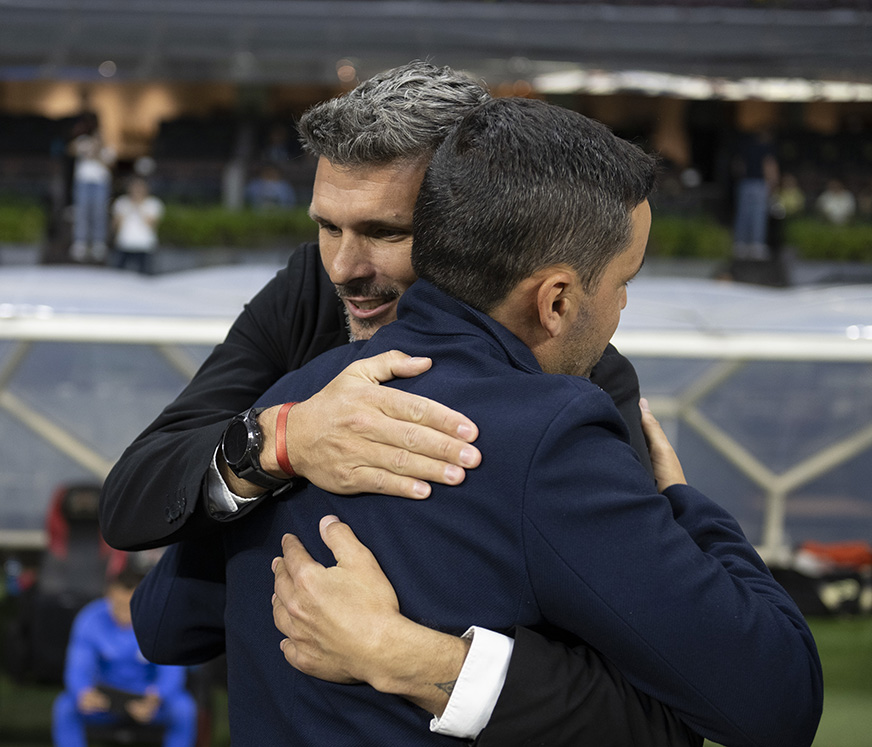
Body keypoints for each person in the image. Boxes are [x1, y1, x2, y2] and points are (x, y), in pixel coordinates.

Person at [151, 97, 821, 746]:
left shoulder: (293, 406)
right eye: (625, 282)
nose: (621, 306)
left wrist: (403, 650)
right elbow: (775, 701)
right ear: (555, 301)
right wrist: (685, 507)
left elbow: (164, 622)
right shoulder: (552, 437)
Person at [104, 62, 667, 744]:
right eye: (328, 227)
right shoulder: (310, 292)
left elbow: (645, 698)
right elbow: (135, 504)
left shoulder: (585, 374)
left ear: (473, 220)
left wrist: (414, 657)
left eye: (386, 232)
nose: (345, 267)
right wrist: (283, 440)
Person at [52, 569, 195, 747]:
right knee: (65, 706)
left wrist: (157, 696)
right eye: (118, 604)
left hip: (147, 698)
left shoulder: (163, 621)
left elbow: (172, 671)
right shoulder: (90, 619)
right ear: (109, 595)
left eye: (131, 606)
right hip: (105, 699)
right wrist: (83, 692)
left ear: (146, 600)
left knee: (183, 709)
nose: (123, 613)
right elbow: (77, 667)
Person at [69, 126, 117, 263]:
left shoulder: (108, 150)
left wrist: (97, 154)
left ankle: (98, 243)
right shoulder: (84, 142)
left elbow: (111, 165)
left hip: (100, 184)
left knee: (99, 213)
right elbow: (70, 150)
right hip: (83, 183)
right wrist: (83, 148)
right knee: (82, 212)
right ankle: (80, 242)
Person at [731, 129, 779, 260]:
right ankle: (756, 245)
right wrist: (772, 184)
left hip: (745, 183)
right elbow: (769, 165)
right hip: (759, 183)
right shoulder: (766, 148)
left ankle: (740, 244)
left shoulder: (745, 148)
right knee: (758, 215)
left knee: (743, 214)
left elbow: (737, 165)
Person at [110, 177, 164, 274]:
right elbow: (115, 225)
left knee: (144, 276)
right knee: (117, 276)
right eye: (135, 187)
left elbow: (152, 224)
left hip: (144, 246)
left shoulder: (153, 203)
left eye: (140, 187)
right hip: (124, 245)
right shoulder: (122, 202)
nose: (137, 190)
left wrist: (139, 206)